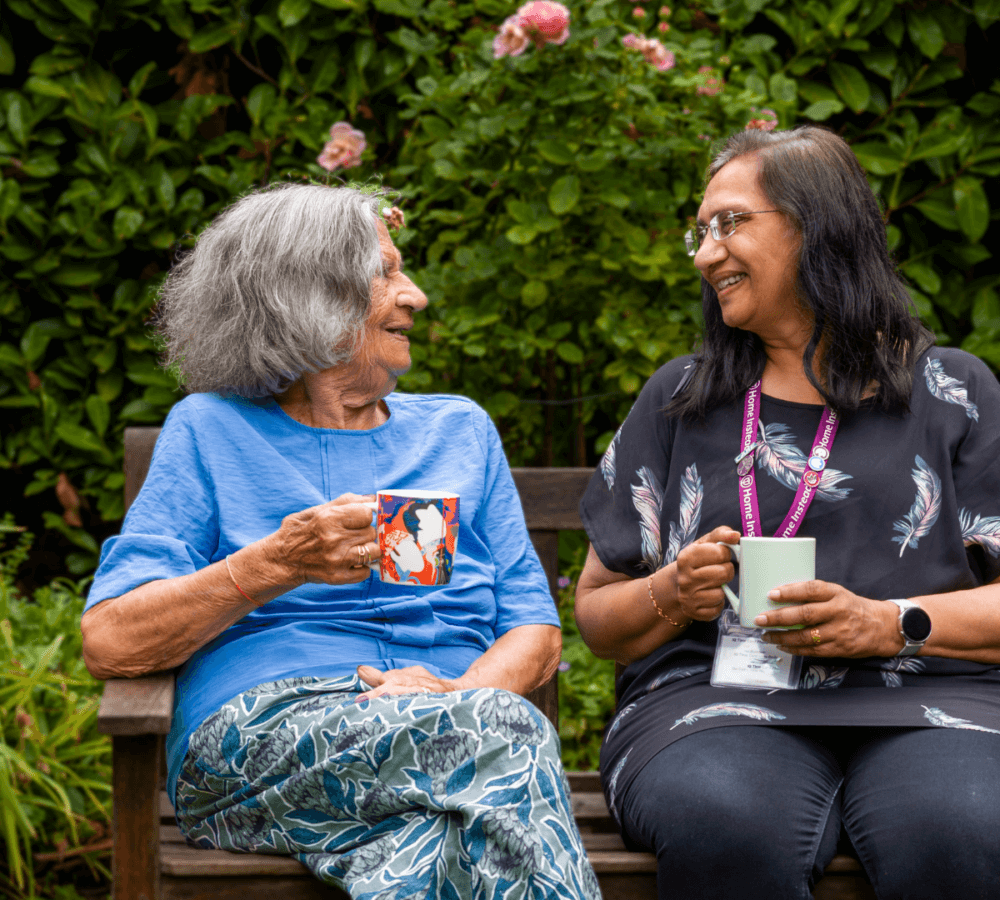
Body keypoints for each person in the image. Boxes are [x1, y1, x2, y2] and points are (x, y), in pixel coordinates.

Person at [81, 184, 601, 900]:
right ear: (307, 295)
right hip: (265, 734)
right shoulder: (210, 430)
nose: (414, 295)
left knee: (430, 854)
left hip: (461, 720)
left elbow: (535, 633)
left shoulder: (460, 431)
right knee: (504, 734)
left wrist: (457, 694)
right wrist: (275, 564)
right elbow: (110, 641)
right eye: (385, 274)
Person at [575, 126, 1000, 900]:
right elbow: (599, 616)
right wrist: (671, 593)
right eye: (699, 232)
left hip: (933, 701)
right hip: (711, 703)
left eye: (731, 223)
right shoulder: (680, 400)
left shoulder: (955, 393)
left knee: (962, 828)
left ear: (818, 227)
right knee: (725, 821)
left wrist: (889, 622)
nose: (706, 254)